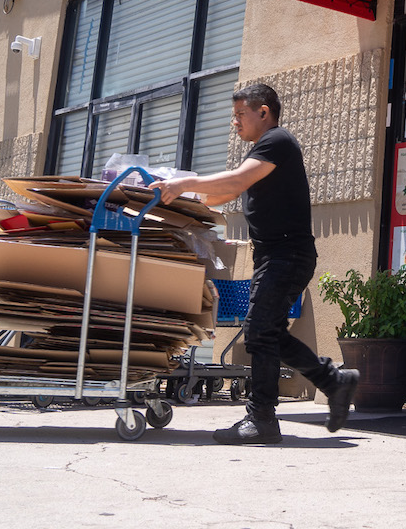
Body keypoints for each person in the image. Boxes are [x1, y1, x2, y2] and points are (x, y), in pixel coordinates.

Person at [150, 82, 358, 445]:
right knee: (268, 331)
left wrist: (183, 184)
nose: (234, 123)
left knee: (260, 330)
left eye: (239, 115)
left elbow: (237, 179)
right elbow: (228, 191)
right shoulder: (264, 150)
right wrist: (179, 197)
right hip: (277, 255)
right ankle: (333, 381)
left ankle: (262, 418)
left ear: (263, 112)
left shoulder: (278, 140)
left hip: (287, 254)